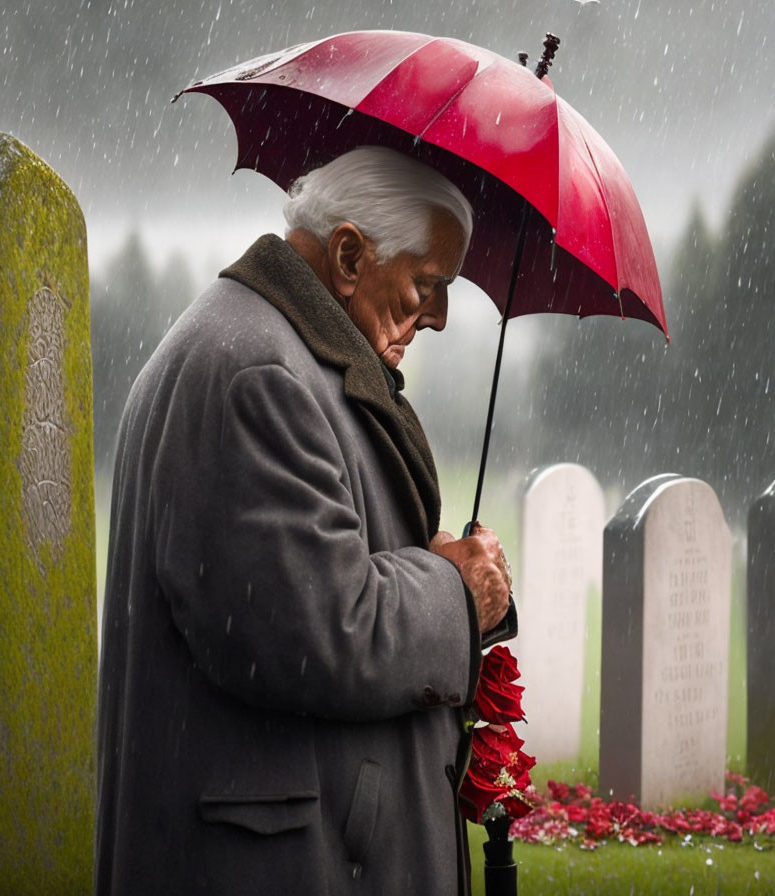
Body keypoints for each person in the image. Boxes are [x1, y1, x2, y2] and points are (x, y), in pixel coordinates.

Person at [96, 146, 515, 896]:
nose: (444, 317)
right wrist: (455, 593)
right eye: (427, 284)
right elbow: (316, 630)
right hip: (277, 866)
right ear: (349, 255)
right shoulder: (255, 372)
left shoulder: (274, 352)